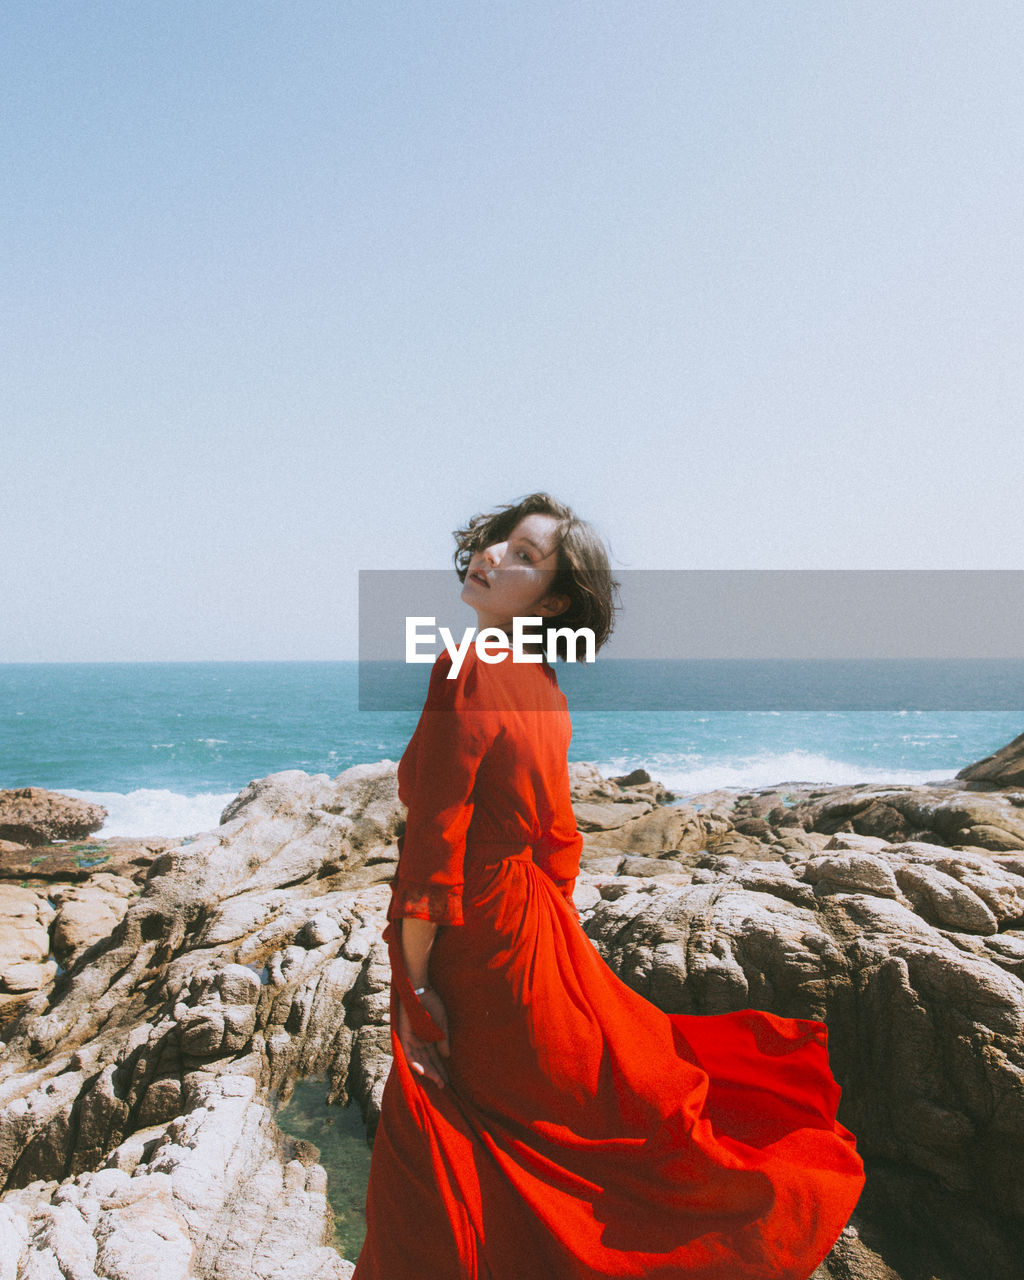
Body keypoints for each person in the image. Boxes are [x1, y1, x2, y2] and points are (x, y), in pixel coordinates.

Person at [353, 492, 865, 1280]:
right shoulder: (542, 686)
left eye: (524, 555)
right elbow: (560, 839)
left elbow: (436, 842)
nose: (493, 557)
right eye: (497, 542)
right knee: (546, 1146)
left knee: (446, 1143)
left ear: (554, 599)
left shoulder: (470, 665)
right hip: (531, 930)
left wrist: (414, 979)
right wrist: (559, 953)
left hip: (476, 940)